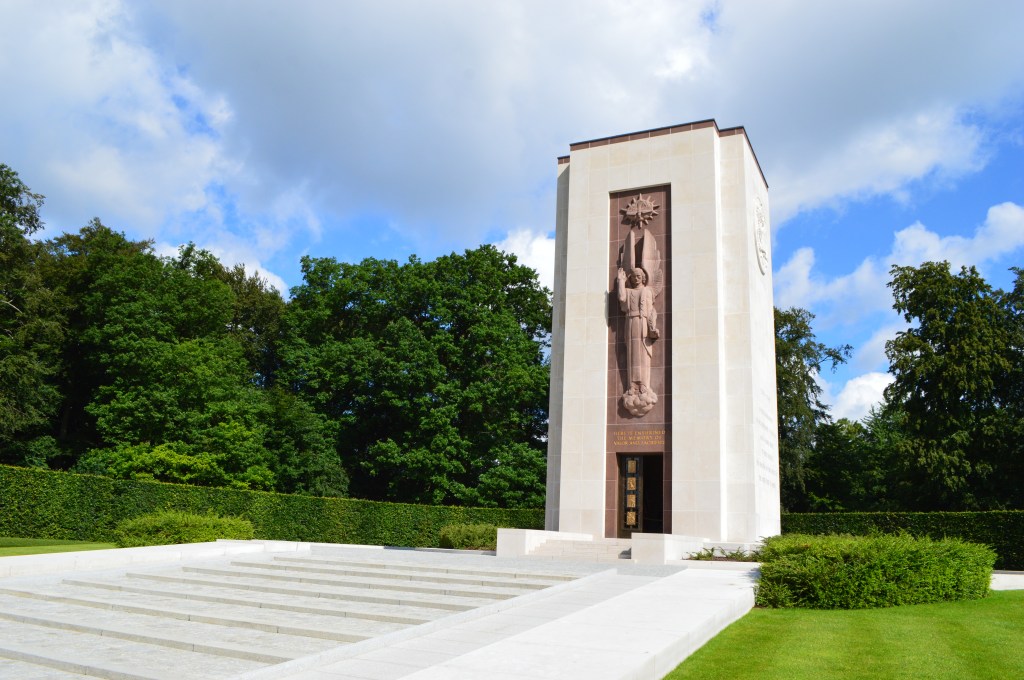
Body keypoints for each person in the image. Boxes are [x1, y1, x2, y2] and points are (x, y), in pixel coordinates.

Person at [617, 266, 659, 416]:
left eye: (638, 276)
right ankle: (633, 385)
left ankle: (644, 386)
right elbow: (621, 298)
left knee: (643, 355)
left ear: (643, 277)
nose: (636, 278)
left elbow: (652, 311)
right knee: (632, 354)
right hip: (631, 323)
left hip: (644, 325)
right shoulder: (628, 291)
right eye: (633, 276)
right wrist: (621, 282)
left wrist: (653, 327)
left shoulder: (647, 291)